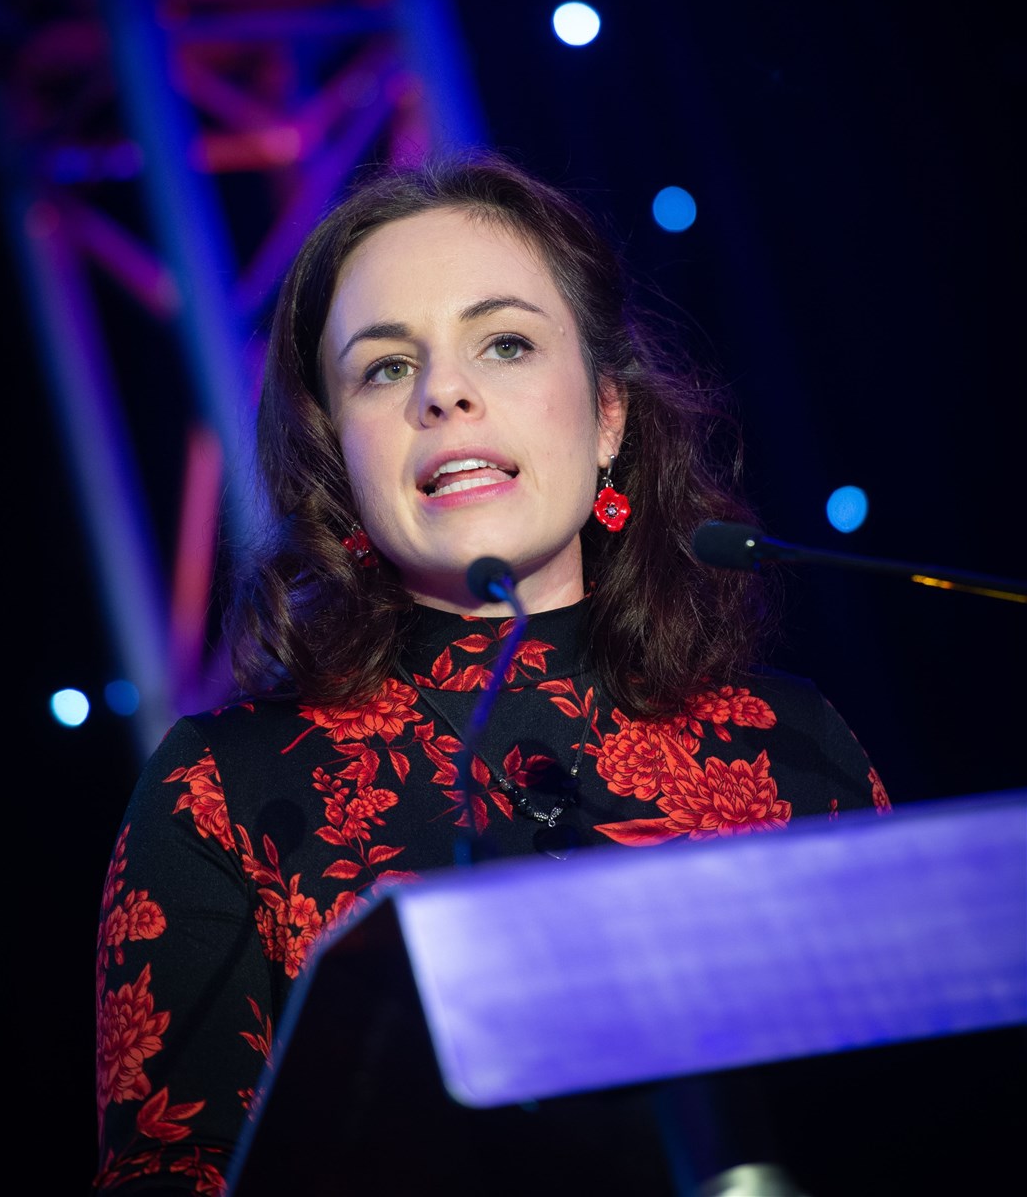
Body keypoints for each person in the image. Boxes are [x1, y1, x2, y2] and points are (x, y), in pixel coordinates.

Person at [93, 149, 890, 1195]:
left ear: (608, 416)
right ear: (341, 458)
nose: (444, 395)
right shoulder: (219, 790)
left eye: (505, 343)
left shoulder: (790, 741)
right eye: (384, 368)